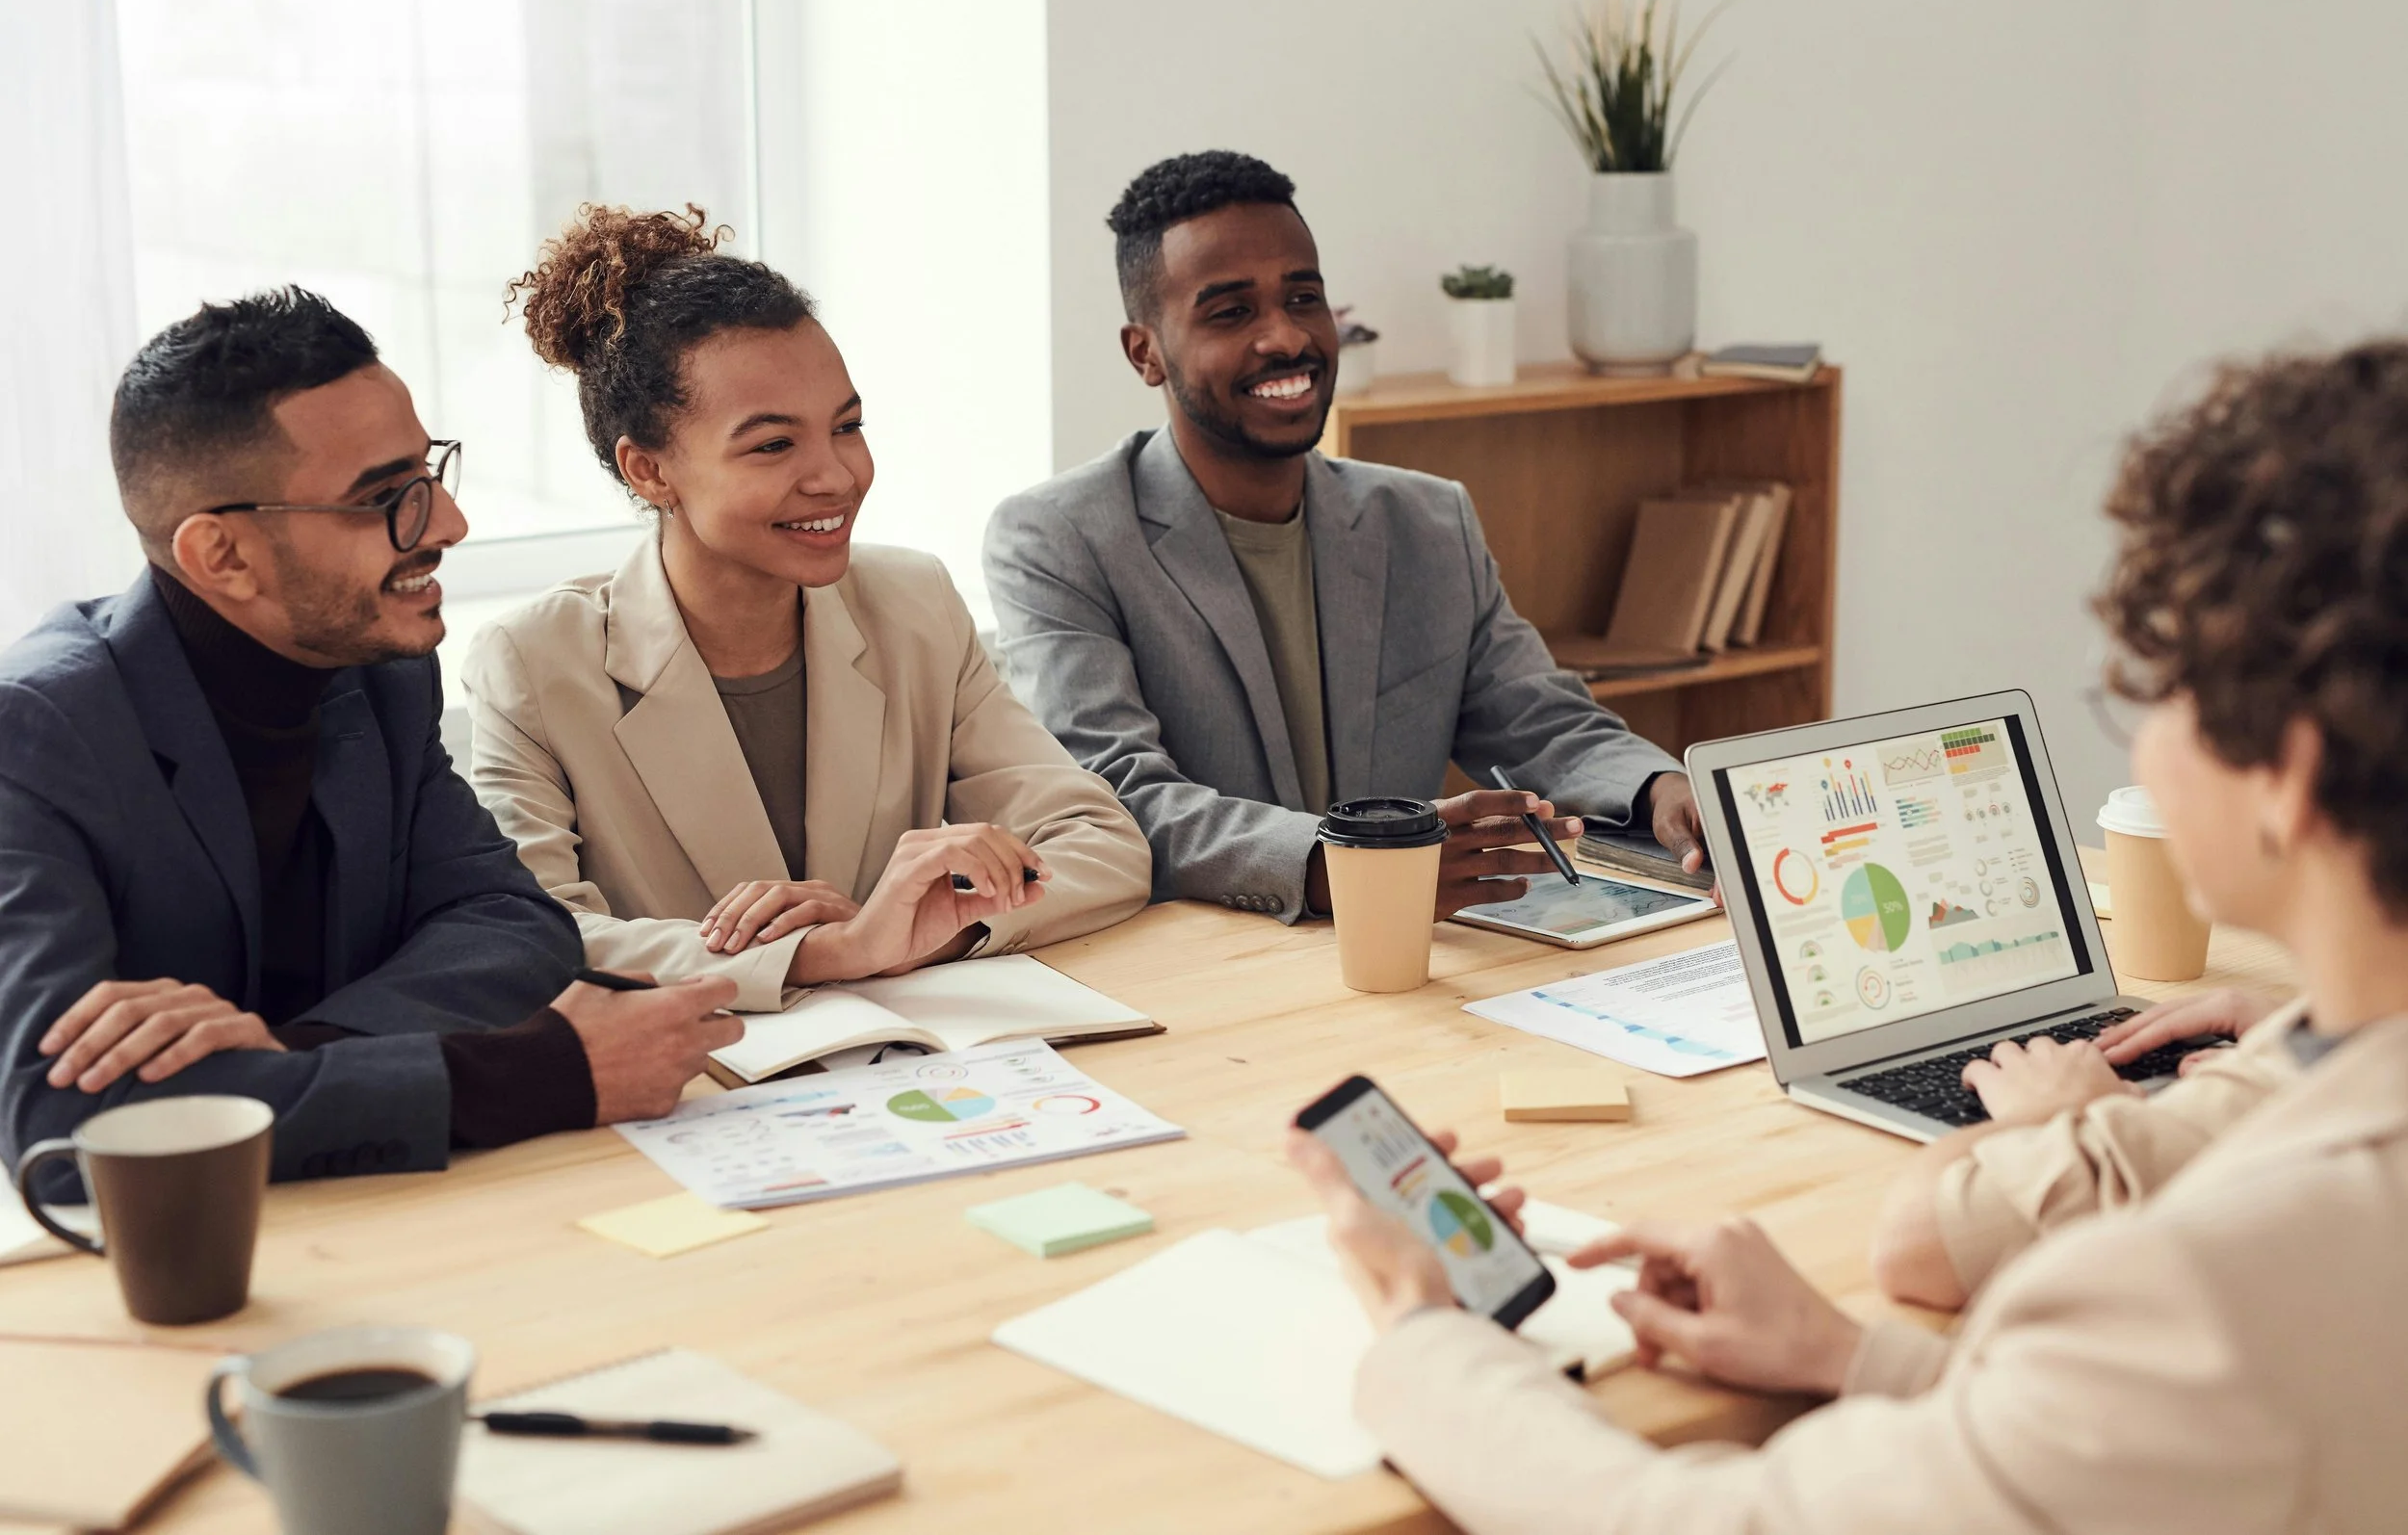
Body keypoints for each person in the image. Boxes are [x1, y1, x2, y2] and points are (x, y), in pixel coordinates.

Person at [1288, 341, 2408, 1530]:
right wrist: (1849, 1355)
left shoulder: (2195, 1286)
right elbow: (2160, 1456)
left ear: (2287, 773)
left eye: (2163, 689)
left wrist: (1422, 1332)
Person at [0, 289, 741, 1195]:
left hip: (373, 1209)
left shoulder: (383, 674)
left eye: (429, 474)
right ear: (222, 556)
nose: (448, 524)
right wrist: (532, 1071)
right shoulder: (31, 735)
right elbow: (60, 1129)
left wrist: (285, 1055)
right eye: (385, 498)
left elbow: (515, 926)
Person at [983, 151, 1705, 924]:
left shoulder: (1429, 521)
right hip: (1205, 963)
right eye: (1231, 313)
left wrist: (1663, 789)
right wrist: (1344, 867)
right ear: (1146, 352)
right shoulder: (1057, 539)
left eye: (1304, 297)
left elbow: (1540, 719)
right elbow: (1118, 792)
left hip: (1414, 957)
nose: (1285, 336)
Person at [462, 206, 1150, 1009]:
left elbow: (1102, 843)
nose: (837, 476)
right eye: (773, 444)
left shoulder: (915, 605)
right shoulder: (534, 663)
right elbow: (533, 935)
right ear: (649, 470)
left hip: (927, 1060)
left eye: (847, 426)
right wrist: (826, 952)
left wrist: (930, 930)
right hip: (699, 1071)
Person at [1868, 985, 2290, 1309]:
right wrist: (2286, 1030)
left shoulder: (2269, 1095)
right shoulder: (2303, 1050)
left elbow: (1910, 1246)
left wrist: (2053, 1109)